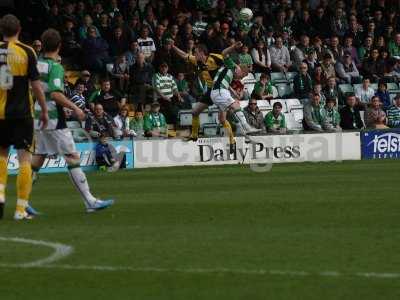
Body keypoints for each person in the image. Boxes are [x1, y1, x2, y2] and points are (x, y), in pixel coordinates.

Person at [31, 29, 113, 215]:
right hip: (53, 119)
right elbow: (55, 93)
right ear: (59, 46)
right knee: (72, 158)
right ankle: (90, 201)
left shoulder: (37, 63)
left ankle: (23, 200)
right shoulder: (56, 67)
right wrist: (75, 108)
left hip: (39, 115)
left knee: (39, 158)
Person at [0, 15, 49, 220]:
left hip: (0, 114)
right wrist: (44, 110)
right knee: (24, 160)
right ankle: (20, 210)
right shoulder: (28, 51)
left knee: (1, 155)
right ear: (19, 28)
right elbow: (36, 85)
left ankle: (0, 193)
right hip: (22, 114)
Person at [172, 42, 240, 149]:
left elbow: (227, 61)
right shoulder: (197, 61)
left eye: (196, 52)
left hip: (220, 90)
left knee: (222, 119)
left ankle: (232, 141)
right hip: (210, 91)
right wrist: (173, 47)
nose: (194, 54)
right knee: (195, 112)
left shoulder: (213, 57)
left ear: (201, 52)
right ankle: (194, 135)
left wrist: (236, 67)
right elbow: (184, 55)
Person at [210, 59, 261, 135]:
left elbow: (228, 85)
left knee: (222, 119)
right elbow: (224, 54)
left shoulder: (228, 75)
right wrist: (234, 47)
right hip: (219, 91)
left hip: (218, 92)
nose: (241, 78)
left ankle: (234, 133)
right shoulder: (231, 66)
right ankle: (246, 127)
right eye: (242, 76)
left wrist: (234, 93)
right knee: (236, 105)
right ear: (239, 70)